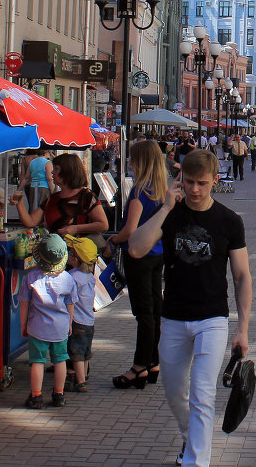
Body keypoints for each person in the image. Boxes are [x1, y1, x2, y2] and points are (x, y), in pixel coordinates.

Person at [128, 150, 251, 467]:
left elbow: (241, 276)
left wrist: (243, 329)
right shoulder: (171, 213)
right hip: (173, 317)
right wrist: (167, 207)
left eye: (202, 183)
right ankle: (189, 437)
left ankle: (196, 462)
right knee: (174, 391)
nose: (195, 189)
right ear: (180, 178)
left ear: (215, 180)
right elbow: (137, 248)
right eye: (190, 182)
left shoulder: (229, 221)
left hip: (212, 318)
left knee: (202, 394)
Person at [104, 140, 172, 389]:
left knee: (143, 312)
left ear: (140, 162)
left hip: (138, 256)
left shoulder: (139, 191)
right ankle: (153, 362)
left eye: (132, 159)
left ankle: (139, 365)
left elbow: (129, 230)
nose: (130, 163)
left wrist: (113, 238)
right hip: (157, 253)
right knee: (155, 309)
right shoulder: (163, 189)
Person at [18, 234, 77, 409]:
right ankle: (59, 394)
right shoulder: (68, 278)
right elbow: (70, 304)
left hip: (37, 327)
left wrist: (23, 325)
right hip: (60, 328)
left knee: (37, 361)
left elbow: (24, 305)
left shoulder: (31, 277)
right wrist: (70, 324)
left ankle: (36, 396)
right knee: (60, 360)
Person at [10, 153, 108, 238]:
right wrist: (19, 204)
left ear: (67, 172)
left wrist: (76, 229)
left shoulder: (87, 196)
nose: (52, 172)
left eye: (56, 169)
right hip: (54, 253)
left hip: (77, 255)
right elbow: (30, 222)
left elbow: (103, 225)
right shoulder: (53, 198)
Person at [62, 235, 98, 393]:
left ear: (76, 259)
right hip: (89, 322)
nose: (68, 256)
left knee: (75, 353)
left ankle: (80, 381)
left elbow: (67, 298)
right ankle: (83, 376)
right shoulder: (90, 277)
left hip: (76, 322)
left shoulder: (72, 277)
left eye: (70, 254)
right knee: (84, 353)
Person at [25, 148, 54, 215]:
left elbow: (27, 177)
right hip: (44, 187)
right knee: (42, 207)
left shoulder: (32, 162)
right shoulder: (47, 162)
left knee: (33, 206)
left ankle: (32, 221)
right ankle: (41, 222)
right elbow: (49, 178)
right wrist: (52, 190)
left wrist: (20, 188)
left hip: (33, 186)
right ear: (46, 153)